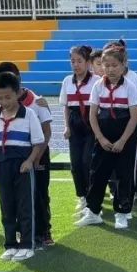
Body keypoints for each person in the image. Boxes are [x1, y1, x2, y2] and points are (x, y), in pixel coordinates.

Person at [75, 42, 137, 230]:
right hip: (103, 134)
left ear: (123, 65)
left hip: (126, 134)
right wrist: (101, 138)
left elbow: (134, 117)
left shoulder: (130, 87)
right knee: (97, 173)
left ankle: (122, 212)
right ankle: (93, 212)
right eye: (107, 65)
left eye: (115, 65)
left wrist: (122, 141)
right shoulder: (98, 86)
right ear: (101, 66)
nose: (111, 69)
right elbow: (92, 115)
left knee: (124, 174)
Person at [0, 62, 54, 247]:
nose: (3, 99)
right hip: (9, 159)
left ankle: (43, 231)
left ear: (17, 80)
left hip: (36, 154)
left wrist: (35, 158)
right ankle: (20, 234)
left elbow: (46, 132)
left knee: (39, 194)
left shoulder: (37, 101)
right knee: (13, 199)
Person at [60, 45, 96, 213]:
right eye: (72, 61)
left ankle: (92, 196)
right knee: (75, 163)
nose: (76, 65)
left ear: (88, 62)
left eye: (79, 61)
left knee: (87, 162)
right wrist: (67, 126)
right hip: (75, 125)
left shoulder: (96, 81)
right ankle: (82, 196)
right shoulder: (67, 81)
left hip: (91, 126)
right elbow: (66, 107)